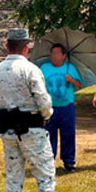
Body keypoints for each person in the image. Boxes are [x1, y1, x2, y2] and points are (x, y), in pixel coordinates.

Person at [0, 29, 70, 192]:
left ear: (6, 46)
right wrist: (46, 115)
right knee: (44, 172)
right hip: (32, 128)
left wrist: (4, 110)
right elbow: (43, 100)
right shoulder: (30, 70)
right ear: (26, 47)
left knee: (13, 173)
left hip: (8, 130)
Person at [39, 44, 82, 172]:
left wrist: (72, 80)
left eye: (57, 53)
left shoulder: (70, 68)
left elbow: (79, 85)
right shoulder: (44, 68)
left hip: (66, 107)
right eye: (52, 53)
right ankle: (48, 161)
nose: (54, 56)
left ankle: (69, 161)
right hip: (49, 107)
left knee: (68, 134)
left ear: (64, 56)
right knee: (48, 134)